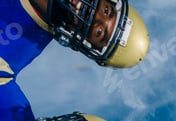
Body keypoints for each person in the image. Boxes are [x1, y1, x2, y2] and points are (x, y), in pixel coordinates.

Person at [1, 0, 149, 74]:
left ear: (84, 42)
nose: (95, 14)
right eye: (106, 10)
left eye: (99, 32)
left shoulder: (12, 52)